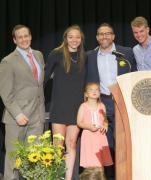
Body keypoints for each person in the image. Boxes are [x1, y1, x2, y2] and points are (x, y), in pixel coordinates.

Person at [86, 23, 137, 180]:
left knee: (124, 140)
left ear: (113, 36)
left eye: (107, 34)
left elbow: (135, 74)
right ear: (97, 38)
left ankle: (125, 174)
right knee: (105, 142)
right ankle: (107, 176)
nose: (104, 37)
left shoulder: (126, 52)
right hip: (103, 103)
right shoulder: (90, 55)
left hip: (123, 103)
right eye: (101, 34)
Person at [0, 25, 45, 180]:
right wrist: (17, 114)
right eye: (20, 37)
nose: (24, 39)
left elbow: (37, 83)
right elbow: (5, 94)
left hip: (38, 116)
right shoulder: (8, 62)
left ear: (30, 37)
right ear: (14, 40)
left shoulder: (38, 55)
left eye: (26, 36)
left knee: (35, 158)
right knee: (13, 159)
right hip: (17, 118)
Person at [44, 25, 86, 180]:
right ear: (65, 38)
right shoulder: (56, 54)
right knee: (57, 146)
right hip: (60, 106)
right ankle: (55, 177)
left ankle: (68, 178)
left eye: (77, 37)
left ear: (81, 39)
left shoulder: (84, 56)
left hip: (76, 107)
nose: (74, 40)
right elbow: (44, 78)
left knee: (72, 144)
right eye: (71, 37)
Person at [77, 82, 113, 169]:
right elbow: (79, 122)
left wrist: (105, 124)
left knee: (100, 162)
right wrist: (88, 126)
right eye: (91, 89)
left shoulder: (101, 105)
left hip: (100, 136)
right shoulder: (83, 106)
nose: (94, 91)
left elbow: (105, 119)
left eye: (97, 89)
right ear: (86, 94)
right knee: (90, 161)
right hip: (88, 136)